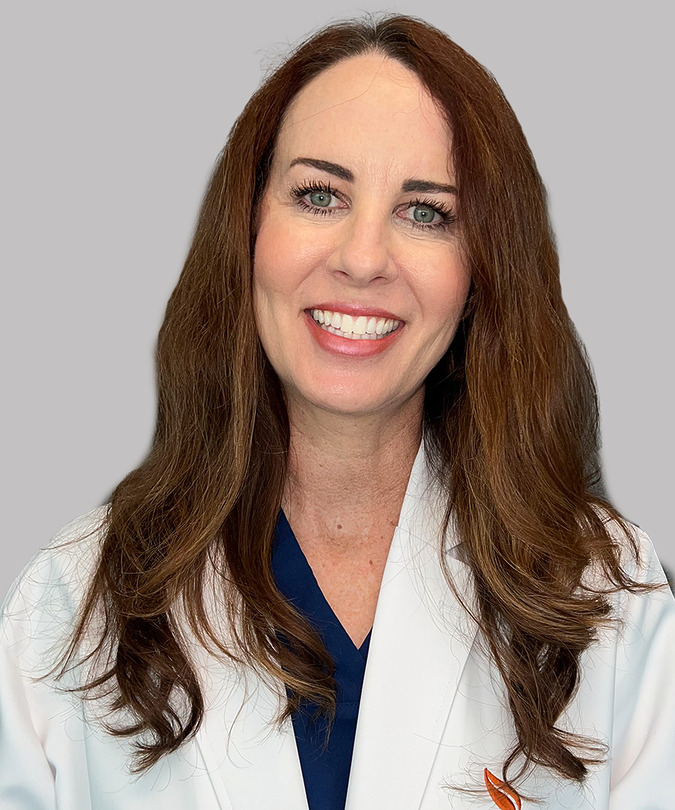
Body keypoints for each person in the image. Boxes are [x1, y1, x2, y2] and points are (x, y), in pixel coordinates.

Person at [1, 14, 673, 810]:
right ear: (247, 230)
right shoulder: (77, 601)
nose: (360, 259)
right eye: (319, 195)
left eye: (426, 211)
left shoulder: (605, 596)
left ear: (482, 273)